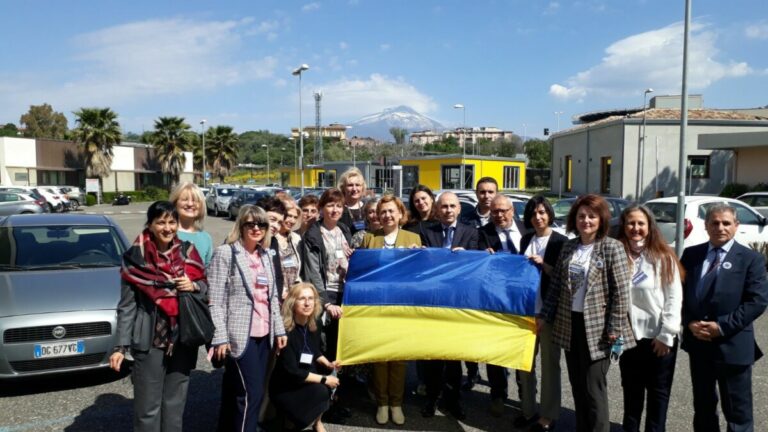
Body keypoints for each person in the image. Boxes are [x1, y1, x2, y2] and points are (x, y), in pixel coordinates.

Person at [538, 194, 635, 432]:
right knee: (577, 384)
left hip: (600, 329)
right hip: (570, 324)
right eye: (581, 216)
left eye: (592, 216)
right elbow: (556, 286)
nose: (586, 221)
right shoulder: (569, 247)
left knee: (594, 387)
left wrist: (614, 329)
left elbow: (621, 293)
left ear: (601, 220)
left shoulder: (612, 247)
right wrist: (544, 316)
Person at [111, 201, 208, 432]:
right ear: (150, 225)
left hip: (182, 338)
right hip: (149, 340)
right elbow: (127, 306)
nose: (167, 228)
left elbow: (206, 287)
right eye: (161, 222)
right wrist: (120, 346)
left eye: (172, 222)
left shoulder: (188, 252)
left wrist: (194, 286)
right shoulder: (135, 258)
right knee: (147, 408)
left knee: (175, 405)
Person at [680, 204, 768, 432]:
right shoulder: (691, 255)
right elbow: (679, 294)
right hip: (699, 343)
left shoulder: (751, 259)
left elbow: (757, 301)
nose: (720, 227)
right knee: (703, 406)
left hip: (733, 344)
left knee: (737, 411)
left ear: (736, 226)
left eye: (726, 223)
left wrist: (721, 327)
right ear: (706, 225)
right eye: (715, 223)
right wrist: (689, 322)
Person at [208, 205, 288, 432]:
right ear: (240, 226)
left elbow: (272, 297)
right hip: (239, 334)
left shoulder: (266, 255)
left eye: (261, 224)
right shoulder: (226, 253)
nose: (256, 228)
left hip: (264, 334)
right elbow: (215, 299)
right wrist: (220, 336)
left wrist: (279, 330)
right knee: (251, 393)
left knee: (242, 390)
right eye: (250, 224)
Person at [615, 204, 684, 432]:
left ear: (650, 226)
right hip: (629, 339)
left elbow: (674, 298)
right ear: (623, 226)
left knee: (658, 394)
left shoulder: (663, 257)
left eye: (640, 223)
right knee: (631, 394)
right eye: (630, 223)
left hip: (659, 339)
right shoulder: (617, 255)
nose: (635, 228)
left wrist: (666, 335)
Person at [361, 195, 422, 425]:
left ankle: (396, 403)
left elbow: (420, 274)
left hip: (402, 306)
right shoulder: (370, 239)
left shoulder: (413, 238)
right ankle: (382, 403)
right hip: (376, 305)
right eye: (383, 211)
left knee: (397, 357)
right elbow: (362, 273)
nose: (387, 215)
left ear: (400, 214)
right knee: (379, 356)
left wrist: (419, 256)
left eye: (391, 211)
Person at [419, 191, 478, 421]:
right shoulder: (426, 231)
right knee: (433, 355)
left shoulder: (471, 232)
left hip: (458, 302)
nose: (448, 210)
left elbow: (478, 265)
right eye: (444, 206)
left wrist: (468, 256)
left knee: (454, 355)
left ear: (459, 209)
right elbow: (421, 264)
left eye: (453, 206)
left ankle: (453, 401)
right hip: (433, 301)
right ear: (437, 209)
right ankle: (432, 398)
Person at [300, 188, 353, 422]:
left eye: (339, 206)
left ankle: (336, 400)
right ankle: (321, 407)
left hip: (345, 294)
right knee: (324, 350)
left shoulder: (344, 230)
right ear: (321, 208)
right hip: (326, 297)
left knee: (339, 350)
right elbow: (313, 273)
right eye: (330, 205)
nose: (334, 210)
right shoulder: (313, 235)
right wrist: (327, 302)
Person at [516, 196, 568, 431]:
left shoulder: (561, 241)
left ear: (549, 214)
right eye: (533, 213)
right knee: (524, 363)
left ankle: (547, 416)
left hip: (549, 313)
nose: (538, 217)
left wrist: (544, 265)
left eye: (542, 212)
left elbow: (564, 278)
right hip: (526, 311)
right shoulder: (526, 238)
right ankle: (528, 410)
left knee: (549, 366)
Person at [477, 194, 528, 418]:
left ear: (512, 211)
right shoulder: (483, 234)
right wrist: (482, 256)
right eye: (495, 212)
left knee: (522, 349)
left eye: (503, 211)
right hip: (495, 301)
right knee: (495, 350)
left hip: (523, 301)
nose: (499, 215)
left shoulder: (528, 230)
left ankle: (526, 396)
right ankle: (498, 395)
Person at [270, 283, 340, 432]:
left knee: (330, 378)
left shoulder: (314, 324)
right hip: (286, 385)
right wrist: (324, 379)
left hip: (304, 374)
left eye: (311, 298)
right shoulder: (285, 331)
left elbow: (315, 351)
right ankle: (292, 419)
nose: (307, 303)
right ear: (292, 302)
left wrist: (329, 364)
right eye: (302, 299)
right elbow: (292, 371)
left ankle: (317, 422)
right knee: (323, 388)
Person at [459, 177, 498, 391]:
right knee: (470, 331)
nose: (486, 196)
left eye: (490, 192)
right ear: (476, 194)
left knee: (494, 333)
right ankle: (472, 372)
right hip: (471, 284)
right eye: (482, 192)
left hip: (494, 286)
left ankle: (498, 379)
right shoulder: (466, 219)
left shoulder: (503, 216)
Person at [169, 182, 214, 266]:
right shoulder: (166, 233)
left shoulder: (206, 238)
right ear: (175, 203)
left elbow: (208, 270)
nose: (190, 204)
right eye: (185, 200)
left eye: (195, 200)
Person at [257, 196, 288, 299]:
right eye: (272, 220)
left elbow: (278, 276)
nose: (276, 226)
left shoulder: (273, 242)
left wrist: (276, 299)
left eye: (279, 223)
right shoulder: (237, 244)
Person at [276, 198, 303, 289]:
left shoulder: (296, 238)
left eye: (295, 217)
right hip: (276, 291)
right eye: (289, 216)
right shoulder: (271, 238)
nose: (292, 221)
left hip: (293, 291)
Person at [337, 167, 368, 236]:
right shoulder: (338, 209)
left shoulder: (367, 207)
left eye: (357, 185)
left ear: (362, 187)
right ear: (343, 188)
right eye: (350, 185)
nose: (354, 189)